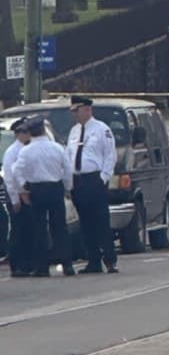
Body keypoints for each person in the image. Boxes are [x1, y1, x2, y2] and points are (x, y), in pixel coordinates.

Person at [14, 119, 76, 277]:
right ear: (43, 130)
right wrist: (68, 188)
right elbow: (67, 169)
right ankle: (67, 265)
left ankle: (42, 267)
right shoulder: (57, 148)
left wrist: (24, 187)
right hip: (55, 188)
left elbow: (17, 171)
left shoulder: (26, 151)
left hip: (36, 189)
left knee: (39, 228)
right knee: (59, 228)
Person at [67, 96, 118, 274]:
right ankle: (93, 260)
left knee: (101, 222)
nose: (74, 114)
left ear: (87, 109)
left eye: (77, 110)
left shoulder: (102, 129)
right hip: (78, 180)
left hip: (94, 180)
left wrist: (103, 178)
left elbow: (110, 156)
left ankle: (110, 260)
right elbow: (69, 156)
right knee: (86, 223)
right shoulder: (74, 131)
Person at [3, 119, 33, 277]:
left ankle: (27, 264)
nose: (27, 134)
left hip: (27, 195)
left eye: (28, 131)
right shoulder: (12, 152)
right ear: (17, 134)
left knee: (28, 231)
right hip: (17, 196)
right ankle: (17, 265)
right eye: (24, 131)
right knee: (18, 231)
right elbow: (9, 178)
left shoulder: (28, 149)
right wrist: (15, 199)